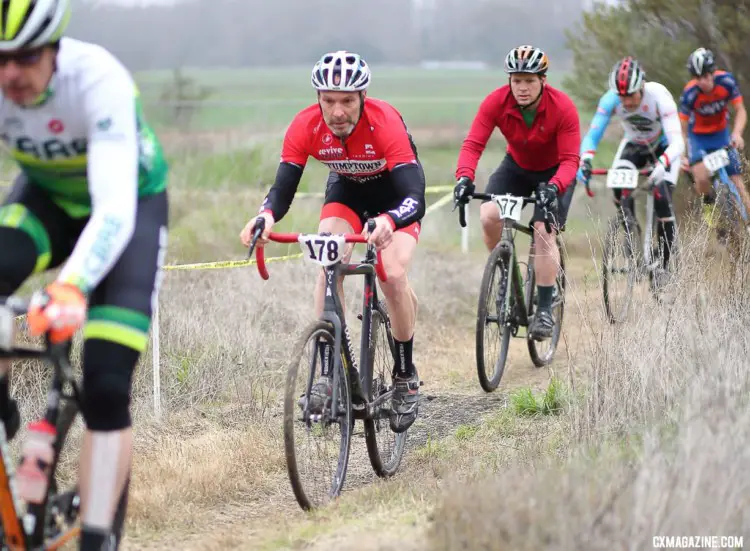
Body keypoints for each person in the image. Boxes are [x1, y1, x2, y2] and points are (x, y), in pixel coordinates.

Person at [0, 0, 169, 548]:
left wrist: (70, 286)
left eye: (24, 58)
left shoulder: (99, 80)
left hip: (128, 211)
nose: (10, 75)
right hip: (47, 199)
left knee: (105, 381)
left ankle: (98, 535)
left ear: (54, 48)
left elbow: (114, 208)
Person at [239, 50, 425, 434]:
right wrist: (265, 216)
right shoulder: (305, 126)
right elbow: (282, 189)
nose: (337, 112)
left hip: (396, 199)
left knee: (390, 274)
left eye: (347, 101)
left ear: (363, 98)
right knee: (329, 262)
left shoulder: (385, 122)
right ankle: (328, 371)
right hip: (347, 192)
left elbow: (415, 196)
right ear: (318, 99)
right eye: (328, 101)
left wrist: (391, 220)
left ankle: (405, 373)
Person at [453, 45, 579, 340]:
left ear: (543, 81)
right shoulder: (496, 102)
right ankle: (508, 275)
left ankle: (545, 309)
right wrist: (463, 178)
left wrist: (554, 187)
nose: (522, 88)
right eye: (516, 80)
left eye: (529, 81)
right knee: (488, 216)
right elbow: (473, 144)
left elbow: (572, 160)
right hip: (517, 168)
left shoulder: (562, 107)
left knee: (542, 230)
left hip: (556, 172)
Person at [577, 56, 685, 288]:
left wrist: (663, 163)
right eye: (621, 97)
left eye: (631, 96)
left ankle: (664, 265)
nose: (625, 102)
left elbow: (678, 143)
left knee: (662, 199)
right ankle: (631, 238)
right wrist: (585, 159)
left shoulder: (658, 96)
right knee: (618, 187)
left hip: (664, 147)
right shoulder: (610, 100)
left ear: (642, 86)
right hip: (634, 145)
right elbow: (593, 135)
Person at [679, 47, 750, 227]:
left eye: (706, 76)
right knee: (701, 178)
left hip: (721, 135)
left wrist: (737, 133)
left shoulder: (726, 82)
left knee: (738, 183)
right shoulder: (689, 94)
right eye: (698, 78)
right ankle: (709, 207)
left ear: (713, 72)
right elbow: (683, 127)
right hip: (699, 138)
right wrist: (683, 154)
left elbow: (740, 110)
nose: (703, 81)